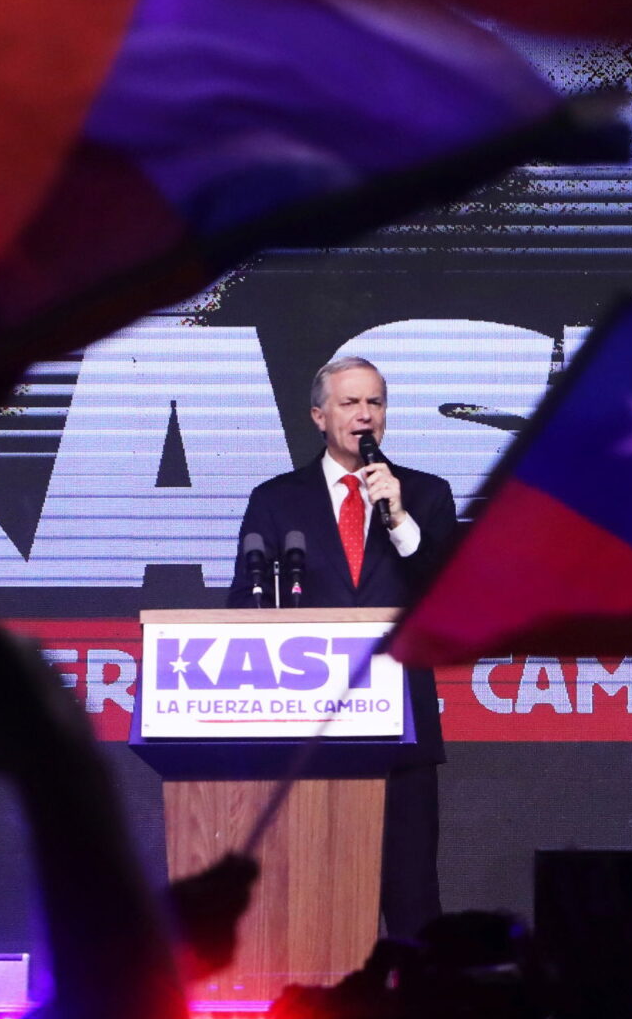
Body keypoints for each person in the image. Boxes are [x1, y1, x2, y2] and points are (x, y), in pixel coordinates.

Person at [227, 356, 459, 938]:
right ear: (319, 416)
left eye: (375, 403)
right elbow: (242, 609)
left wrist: (400, 519)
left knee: (410, 904)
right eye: (351, 403)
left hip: (400, 729)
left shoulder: (426, 496)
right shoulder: (277, 501)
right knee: (312, 905)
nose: (364, 416)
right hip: (306, 732)